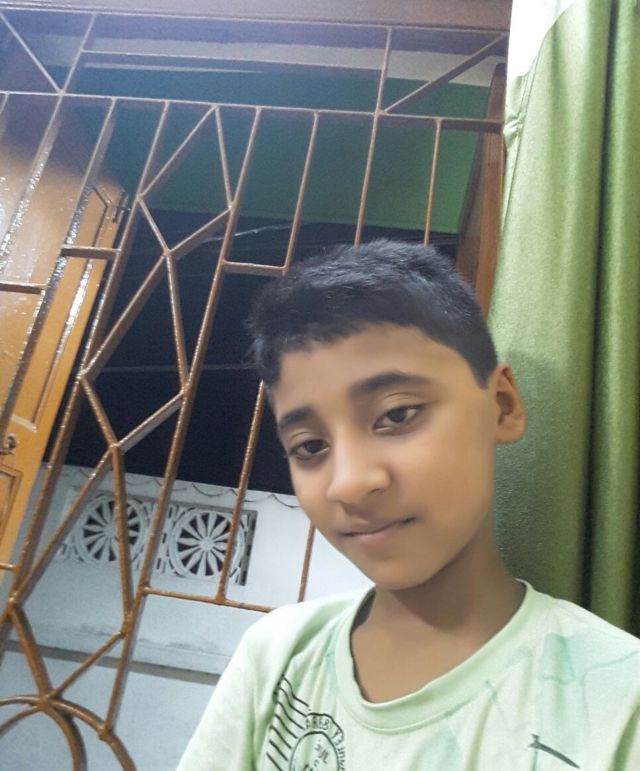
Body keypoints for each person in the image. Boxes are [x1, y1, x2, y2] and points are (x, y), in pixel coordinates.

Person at [177, 240, 640, 770]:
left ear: (502, 406)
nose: (349, 484)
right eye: (310, 447)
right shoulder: (279, 655)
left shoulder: (620, 701)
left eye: (397, 415)